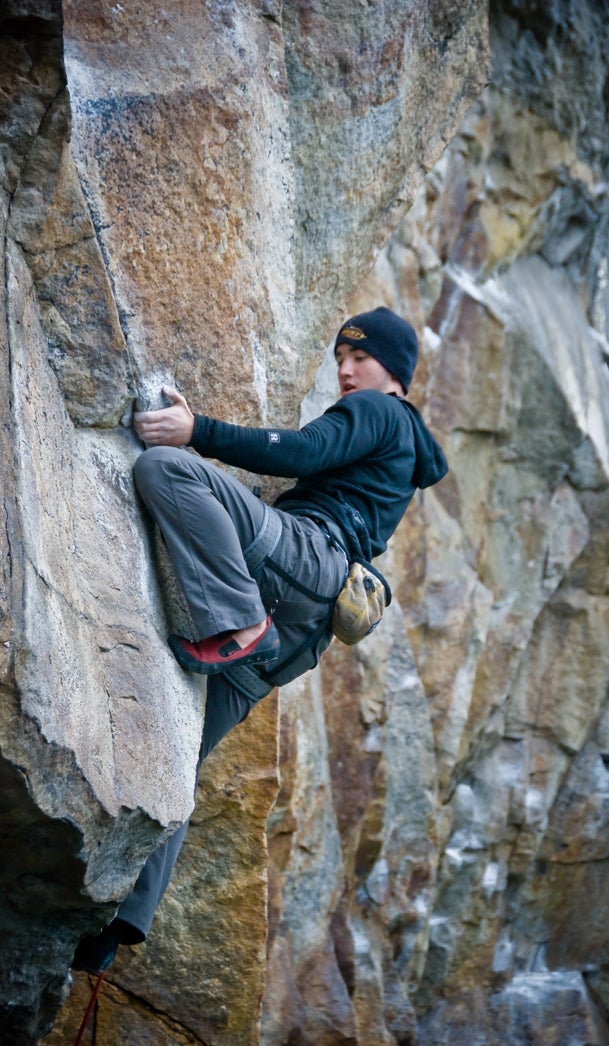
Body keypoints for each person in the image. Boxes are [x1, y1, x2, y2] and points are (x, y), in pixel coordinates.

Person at [72, 306, 448, 974]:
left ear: (394, 371)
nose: (345, 368)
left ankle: (238, 621)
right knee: (176, 758)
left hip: (303, 564)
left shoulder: (384, 412)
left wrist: (197, 431)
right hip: (303, 634)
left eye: (360, 356)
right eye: (340, 356)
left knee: (166, 469)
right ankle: (119, 924)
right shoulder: (404, 449)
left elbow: (301, 453)